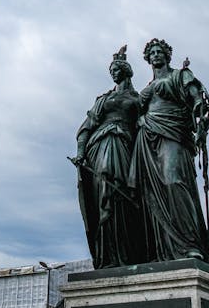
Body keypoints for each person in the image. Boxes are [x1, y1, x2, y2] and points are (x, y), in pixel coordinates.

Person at [128, 38, 209, 264]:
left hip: (173, 132)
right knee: (150, 192)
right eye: (152, 52)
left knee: (174, 181)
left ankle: (189, 244)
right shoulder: (147, 87)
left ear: (167, 56)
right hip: (147, 137)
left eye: (160, 51)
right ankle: (162, 251)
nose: (156, 55)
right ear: (148, 58)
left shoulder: (180, 75)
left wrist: (200, 122)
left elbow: (198, 99)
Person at [73, 46, 142, 268]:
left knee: (121, 196)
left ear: (126, 71)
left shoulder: (138, 98)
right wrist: (81, 153)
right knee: (105, 192)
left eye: (116, 69)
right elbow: (87, 126)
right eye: (111, 70)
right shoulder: (104, 99)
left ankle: (128, 253)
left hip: (127, 145)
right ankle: (107, 256)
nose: (113, 73)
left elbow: (147, 125)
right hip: (102, 144)